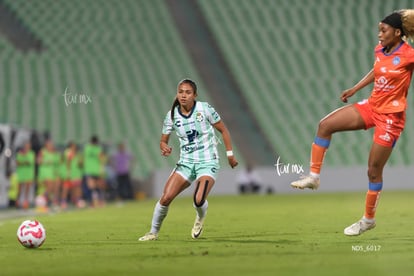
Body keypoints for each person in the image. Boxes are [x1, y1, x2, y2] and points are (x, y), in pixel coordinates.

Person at [291, 10, 414, 236]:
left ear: (398, 33)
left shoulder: (408, 55)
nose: (379, 34)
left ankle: (368, 219)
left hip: (391, 118)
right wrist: (355, 88)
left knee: (373, 171)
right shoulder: (380, 50)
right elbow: (377, 71)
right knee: (325, 125)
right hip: (371, 107)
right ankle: (314, 178)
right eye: (379, 29)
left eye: (383, 30)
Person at [138, 78, 238, 241]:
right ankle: (153, 233)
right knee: (166, 197)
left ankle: (199, 219)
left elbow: (224, 130)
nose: (183, 95)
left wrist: (230, 155)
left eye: (188, 92)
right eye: (181, 92)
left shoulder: (204, 109)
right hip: (185, 163)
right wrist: (164, 146)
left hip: (207, 161)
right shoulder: (171, 115)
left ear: (195, 95)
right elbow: (163, 140)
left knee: (198, 200)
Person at [83, 135, 105, 207]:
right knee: (95, 186)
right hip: (95, 170)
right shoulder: (97, 148)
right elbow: (101, 158)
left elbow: (84, 158)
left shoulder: (87, 148)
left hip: (90, 170)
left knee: (92, 186)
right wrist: (102, 168)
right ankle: (98, 201)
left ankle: (94, 202)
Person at [15, 141, 36, 209]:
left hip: (29, 173)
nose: (27, 147)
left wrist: (23, 161)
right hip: (21, 172)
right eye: (26, 145)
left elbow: (29, 162)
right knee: (20, 188)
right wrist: (23, 162)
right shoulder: (19, 153)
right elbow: (18, 163)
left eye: (28, 145)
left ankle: (25, 202)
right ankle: (18, 201)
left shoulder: (32, 153)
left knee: (27, 187)